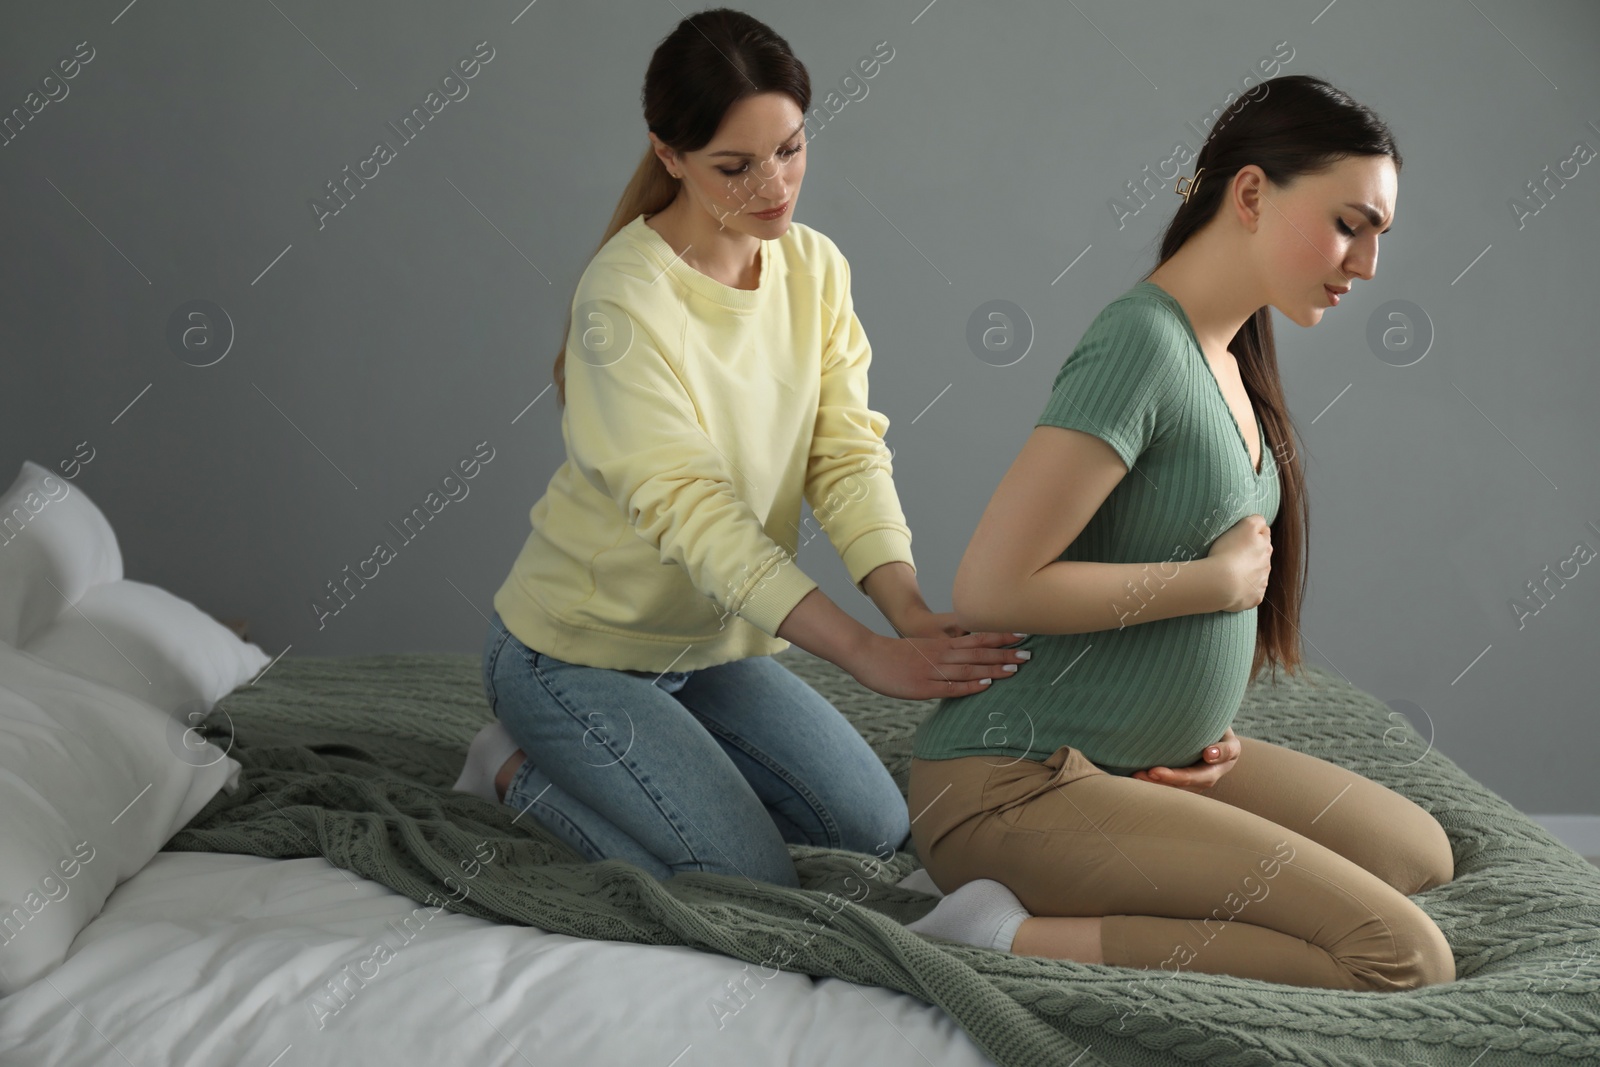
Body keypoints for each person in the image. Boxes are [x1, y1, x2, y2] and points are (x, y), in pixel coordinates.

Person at [902, 74, 1459, 992]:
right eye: (1349, 223)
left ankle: (1129, 849)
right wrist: (1215, 584)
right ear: (1249, 194)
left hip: (1145, 764)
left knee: (1418, 854)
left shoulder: (1233, 356)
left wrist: (1190, 718)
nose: (1365, 265)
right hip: (1014, 782)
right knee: (1401, 954)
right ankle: (992, 934)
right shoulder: (1140, 344)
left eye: (1378, 236)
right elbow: (992, 587)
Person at [451, 8, 1030, 891]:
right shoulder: (624, 301)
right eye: (737, 165)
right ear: (669, 154)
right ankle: (507, 767)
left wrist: (906, 609)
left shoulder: (816, 269)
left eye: (791, 149)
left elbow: (843, 453)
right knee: (748, 882)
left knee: (874, 829)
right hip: (574, 652)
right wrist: (863, 653)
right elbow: (698, 515)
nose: (776, 185)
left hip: (708, 651)